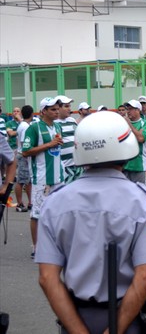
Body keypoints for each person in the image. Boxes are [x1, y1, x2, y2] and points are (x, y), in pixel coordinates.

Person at [36, 111, 146, 334]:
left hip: (75, 316)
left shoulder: (55, 202)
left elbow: (48, 278)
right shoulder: (143, 202)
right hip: (127, 318)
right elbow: (145, 277)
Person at [22, 97, 64, 258]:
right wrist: (49, 145)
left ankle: (54, 245)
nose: (57, 111)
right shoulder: (33, 128)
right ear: (43, 111)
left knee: (58, 213)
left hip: (58, 177)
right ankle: (36, 247)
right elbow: (25, 151)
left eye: (57, 108)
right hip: (41, 178)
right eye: (53, 109)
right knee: (37, 214)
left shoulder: (58, 125)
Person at [55, 95, 83, 184]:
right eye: (66, 106)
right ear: (58, 108)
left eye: (69, 106)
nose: (69, 109)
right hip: (64, 167)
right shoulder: (54, 124)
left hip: (78, 165)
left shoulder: (72, 120)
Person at [123, 100, 146, 185]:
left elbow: (140, 138)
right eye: (127, 109)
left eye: (130, 109)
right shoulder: (122, 124)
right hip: (125, 167)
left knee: (142, 195)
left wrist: (129, 125)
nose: (128, 111)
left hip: (140, 167)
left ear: (138, 110)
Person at [14, 105, 33, 213]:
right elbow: (23, 142)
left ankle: (30, 202)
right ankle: (20, 203)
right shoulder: (25, 126)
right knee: (21, 181)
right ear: (31, 114)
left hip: (22, 154)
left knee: (27, 180)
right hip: (23, 155)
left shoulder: (22, 124)